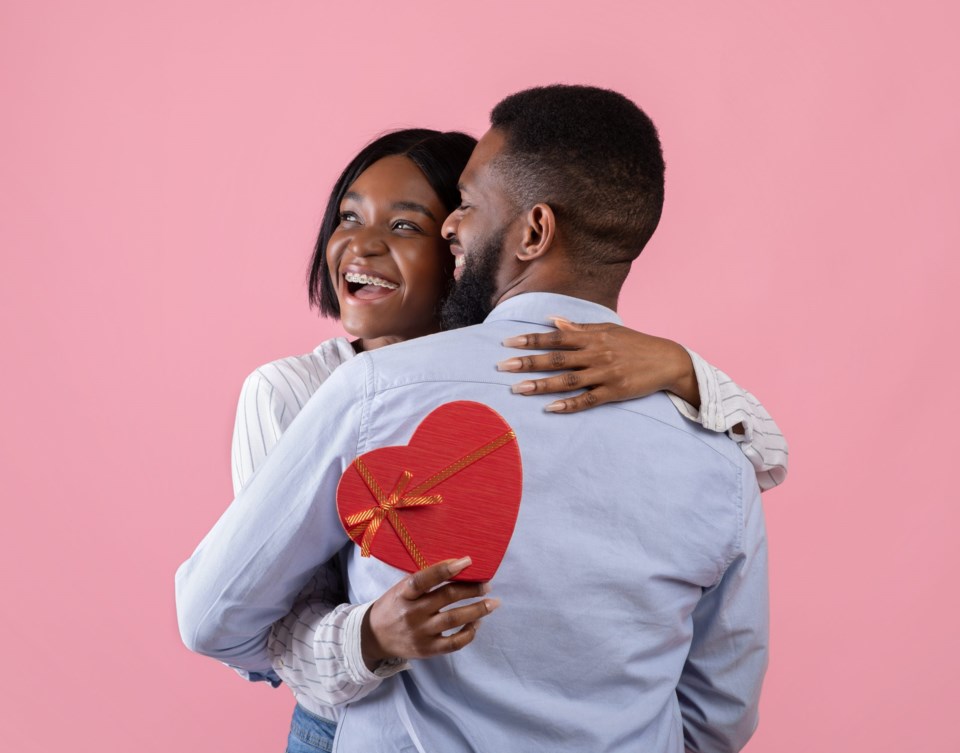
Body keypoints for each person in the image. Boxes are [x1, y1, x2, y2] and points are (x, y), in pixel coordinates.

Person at [180, 89, 773, 751]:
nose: (451, 227)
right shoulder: (722, 455)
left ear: (534, 230)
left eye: (465, 205)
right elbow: (722, 713)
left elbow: (211, 615)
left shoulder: (372, 392)